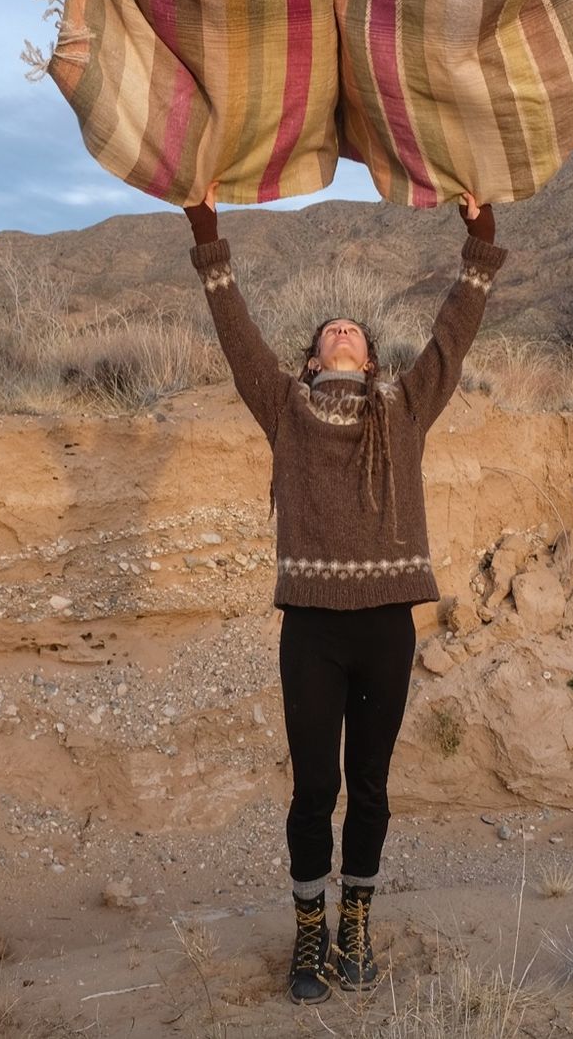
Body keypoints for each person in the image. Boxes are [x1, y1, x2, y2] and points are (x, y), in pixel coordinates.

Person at [182, 183, 505, 1005]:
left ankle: (354, 918)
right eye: (329, 329)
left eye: (353, 328)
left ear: (369, 354)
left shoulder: (403, 408)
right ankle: (307, 931)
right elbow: (237, 335)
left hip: (387, 627)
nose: (341, 329)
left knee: (369, 784)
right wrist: (205, 226)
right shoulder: (285, 406)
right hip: (313, 631)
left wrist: (480, 238)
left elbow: (452, 337)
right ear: (313, 357)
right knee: (312, 790)